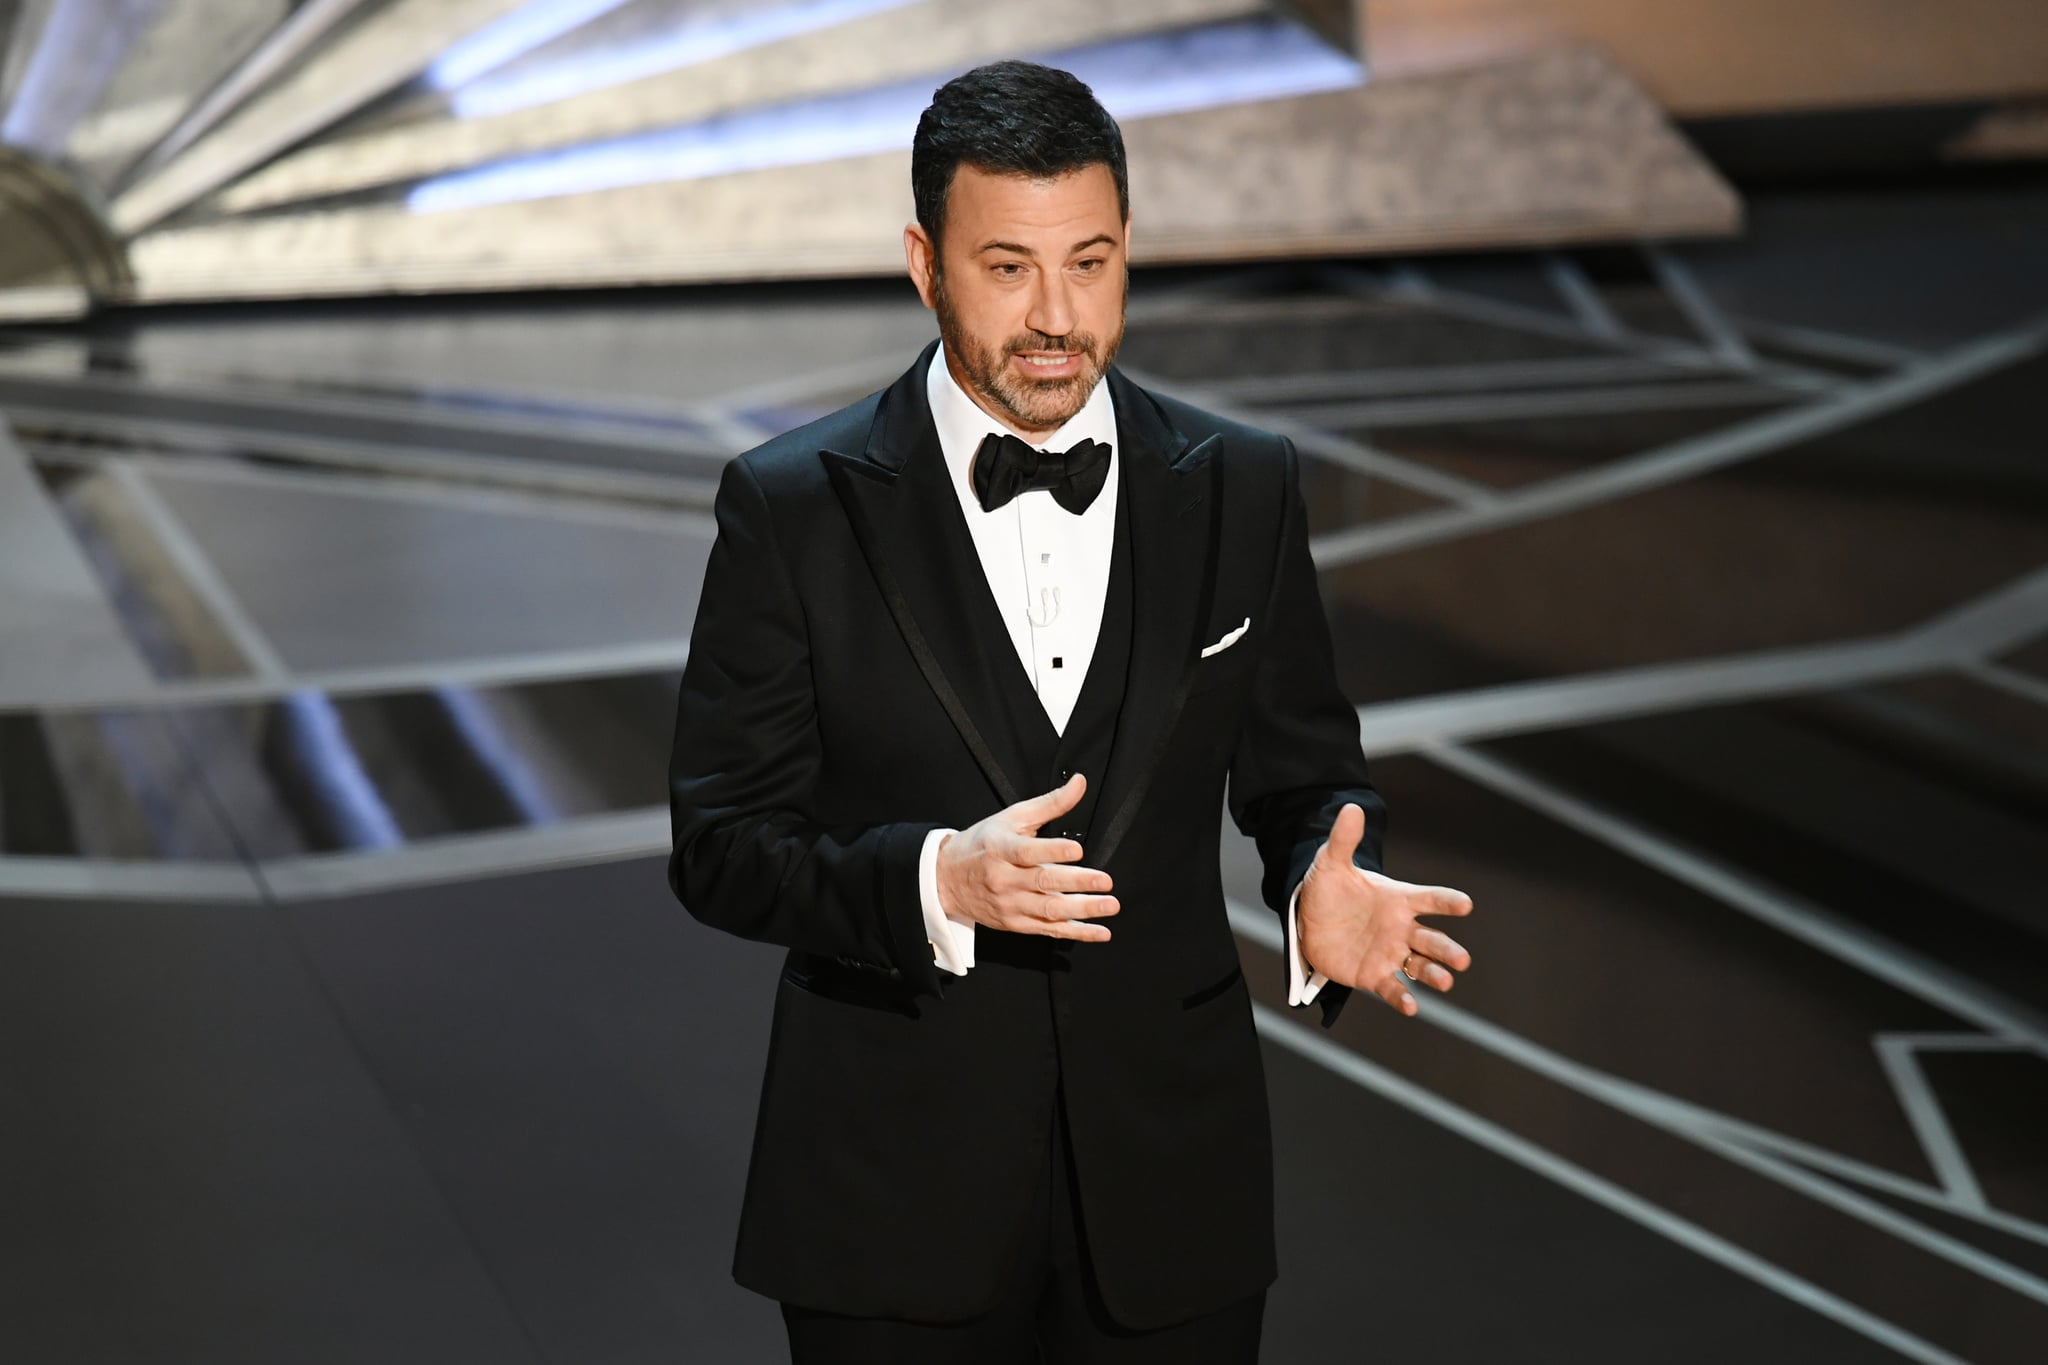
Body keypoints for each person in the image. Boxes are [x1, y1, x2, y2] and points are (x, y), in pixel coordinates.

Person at [667, 58, 1475, 1364]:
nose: (1057, 316)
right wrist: (936, 881)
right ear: (925, 264)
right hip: (890, 1205)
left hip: (1172, 1199)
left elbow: (1302, 777)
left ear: (1129, 249)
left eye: (1090, 263)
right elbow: (719, 846)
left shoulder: (1244, 486)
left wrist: (1333, 867)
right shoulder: (792, 508)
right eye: (1008, 269)